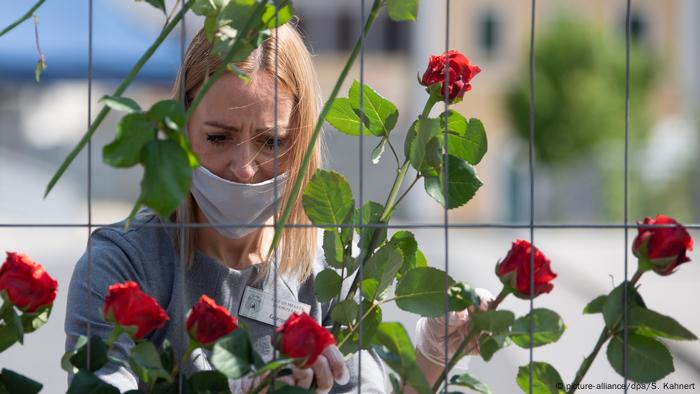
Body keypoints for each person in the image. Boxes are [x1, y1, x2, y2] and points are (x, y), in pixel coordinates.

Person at [64, 20, 492, 393]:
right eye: (219, 137)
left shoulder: (330, 268)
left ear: (302, 142)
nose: (244, 168)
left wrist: (434, 355)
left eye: (272, 142)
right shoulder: (125, 264)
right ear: (181, 130)